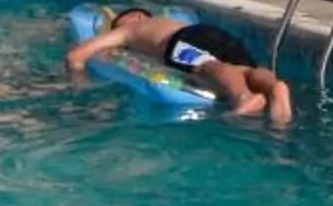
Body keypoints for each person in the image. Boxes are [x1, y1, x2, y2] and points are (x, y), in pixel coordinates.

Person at [66, 7, 294, 126]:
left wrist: (79, 80)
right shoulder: (172, 21)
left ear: (133, 17)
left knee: (207, 66)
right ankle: (273, 86)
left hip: (182, 41)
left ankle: (243, 96)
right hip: (212, 33)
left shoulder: (127, 30)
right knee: (244, 69)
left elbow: (77, 54)